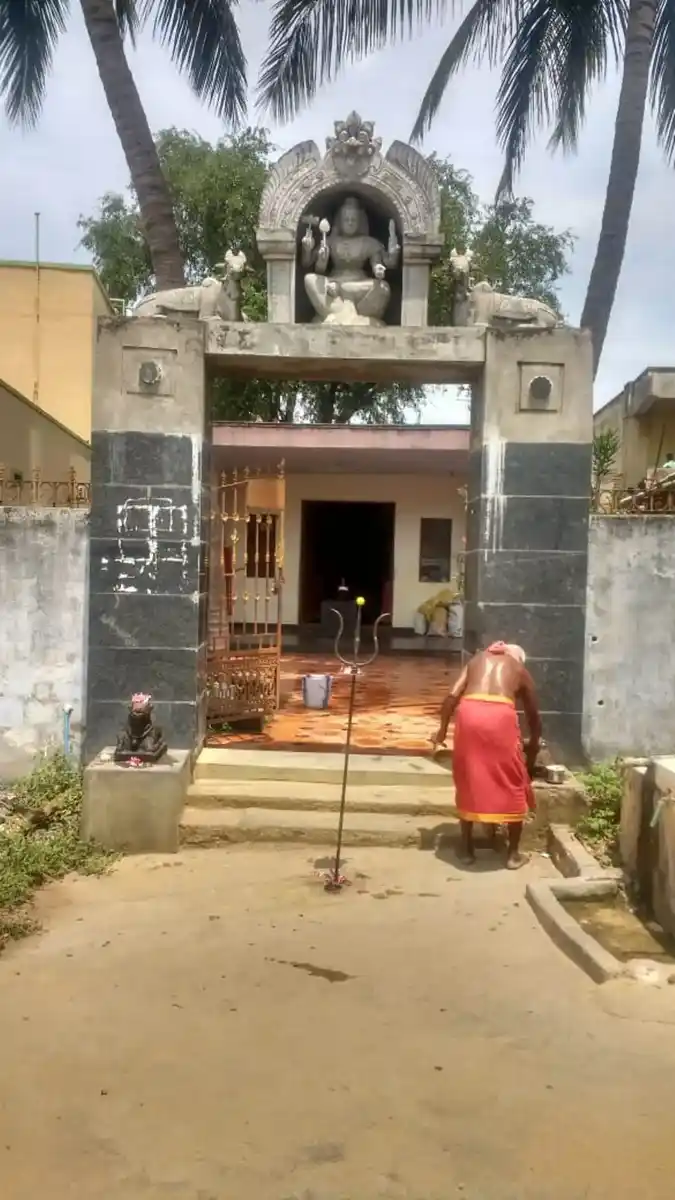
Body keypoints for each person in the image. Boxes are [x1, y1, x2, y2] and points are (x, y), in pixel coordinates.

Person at [431, 642, 541, 869]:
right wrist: (533, 746)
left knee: (468, 774)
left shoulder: (476, 660)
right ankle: (513, 855)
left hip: (469, 712)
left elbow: (452, 696)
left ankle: (466, 849)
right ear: (517, 658)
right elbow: (533, 716)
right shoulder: (520, 669)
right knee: (514, 778)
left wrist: (441, 730)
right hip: (500, 716)